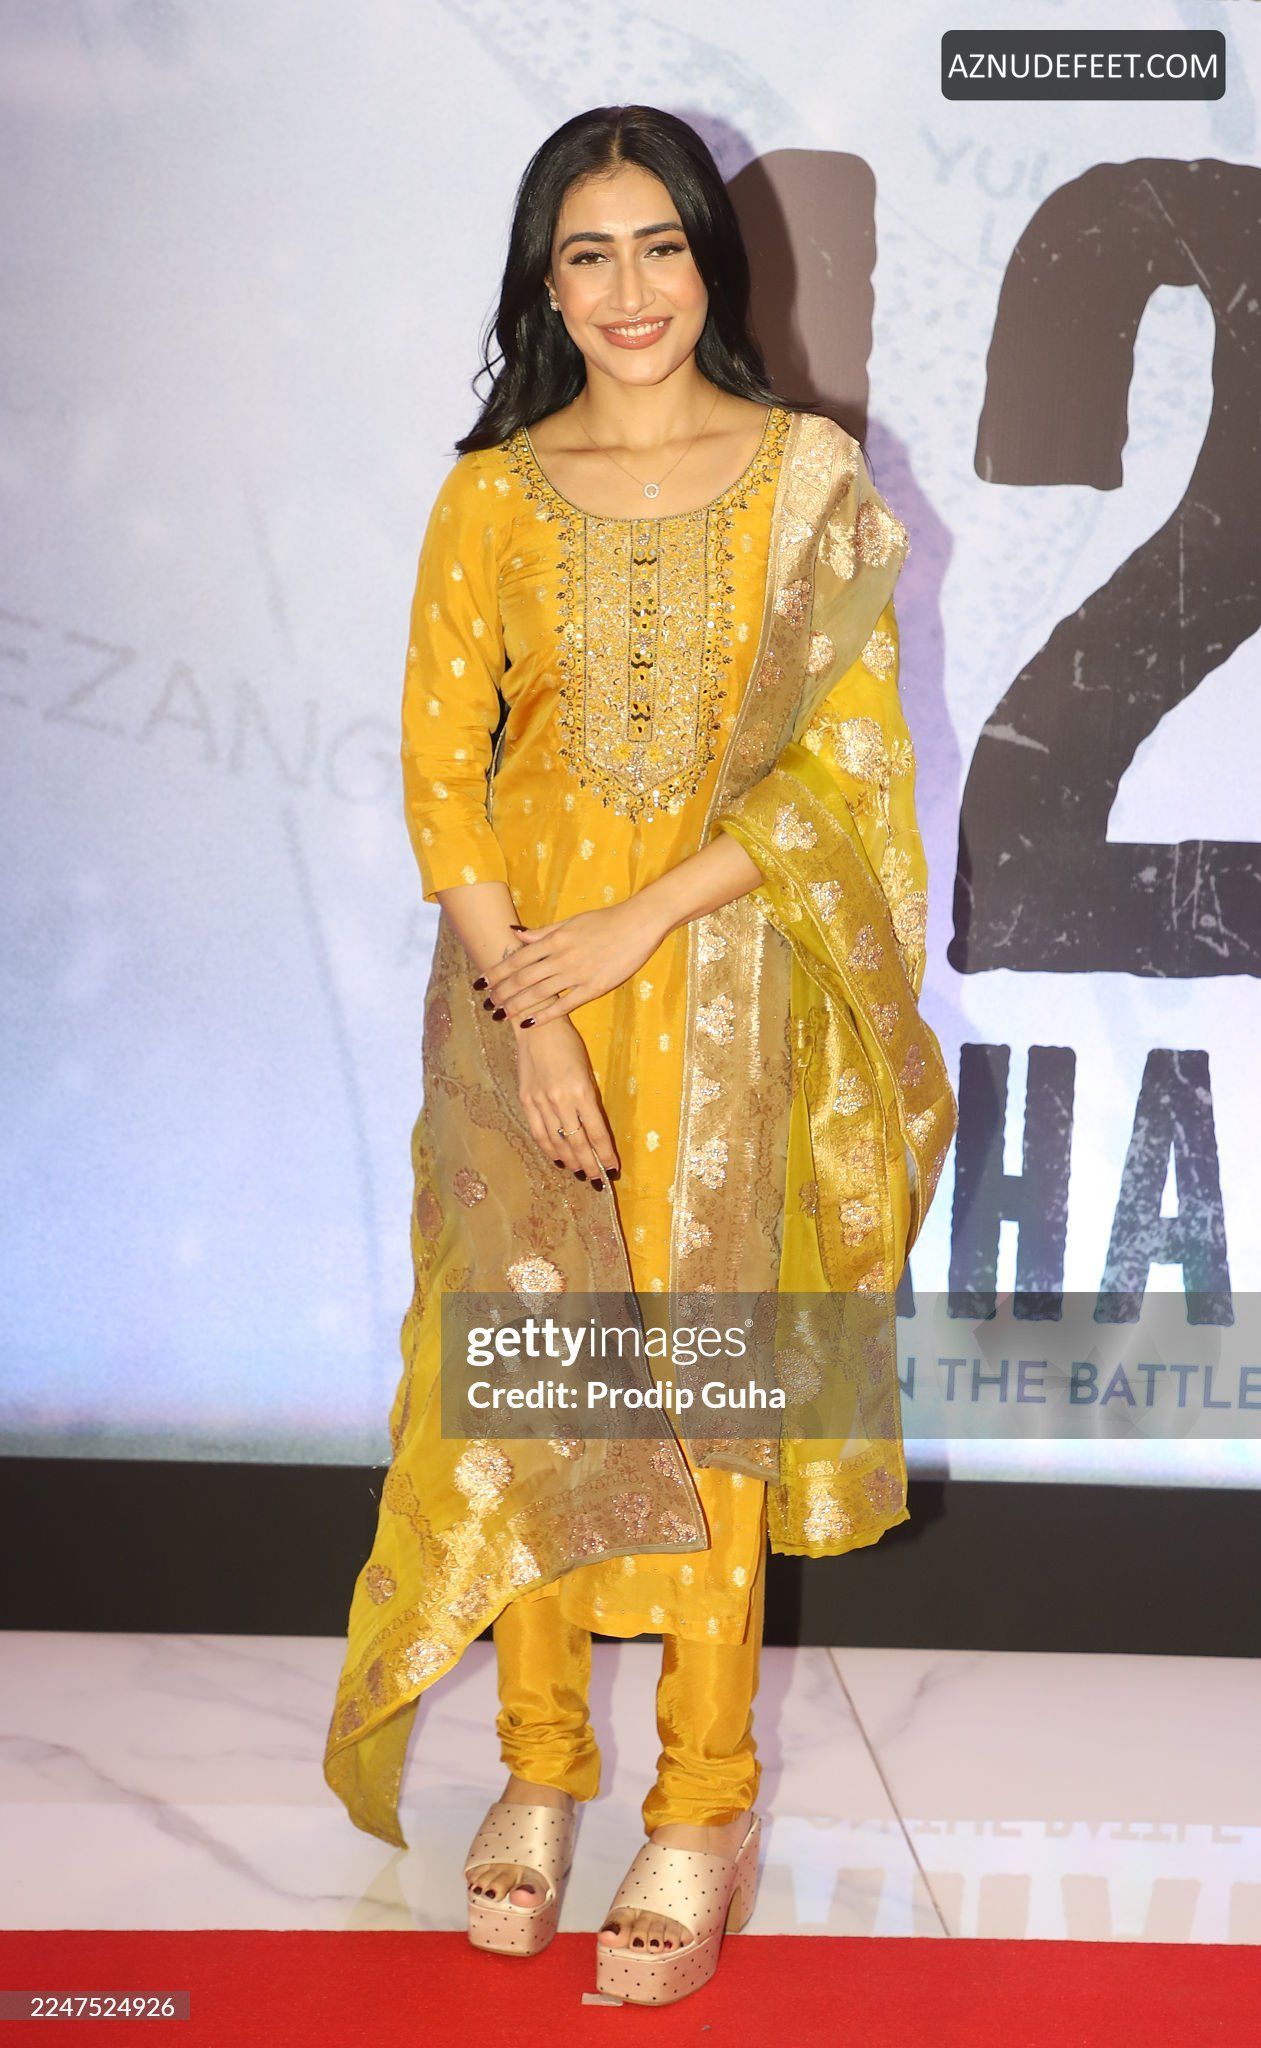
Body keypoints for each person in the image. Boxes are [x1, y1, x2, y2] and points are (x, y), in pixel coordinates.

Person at [323, 104, 956, 2007]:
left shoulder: (806, 476)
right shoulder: (492, 495)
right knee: (533, 1380)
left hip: (727, 990)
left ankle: (701, 1796)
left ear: (708, 263)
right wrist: (535, 1010)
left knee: (704, 1386)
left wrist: (644, 922)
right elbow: (442, 781)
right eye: (585, 254)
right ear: (544, 281)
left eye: (659, 246)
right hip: (519, 1000)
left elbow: (846, 766)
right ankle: (539, 1768)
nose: (626, 291)